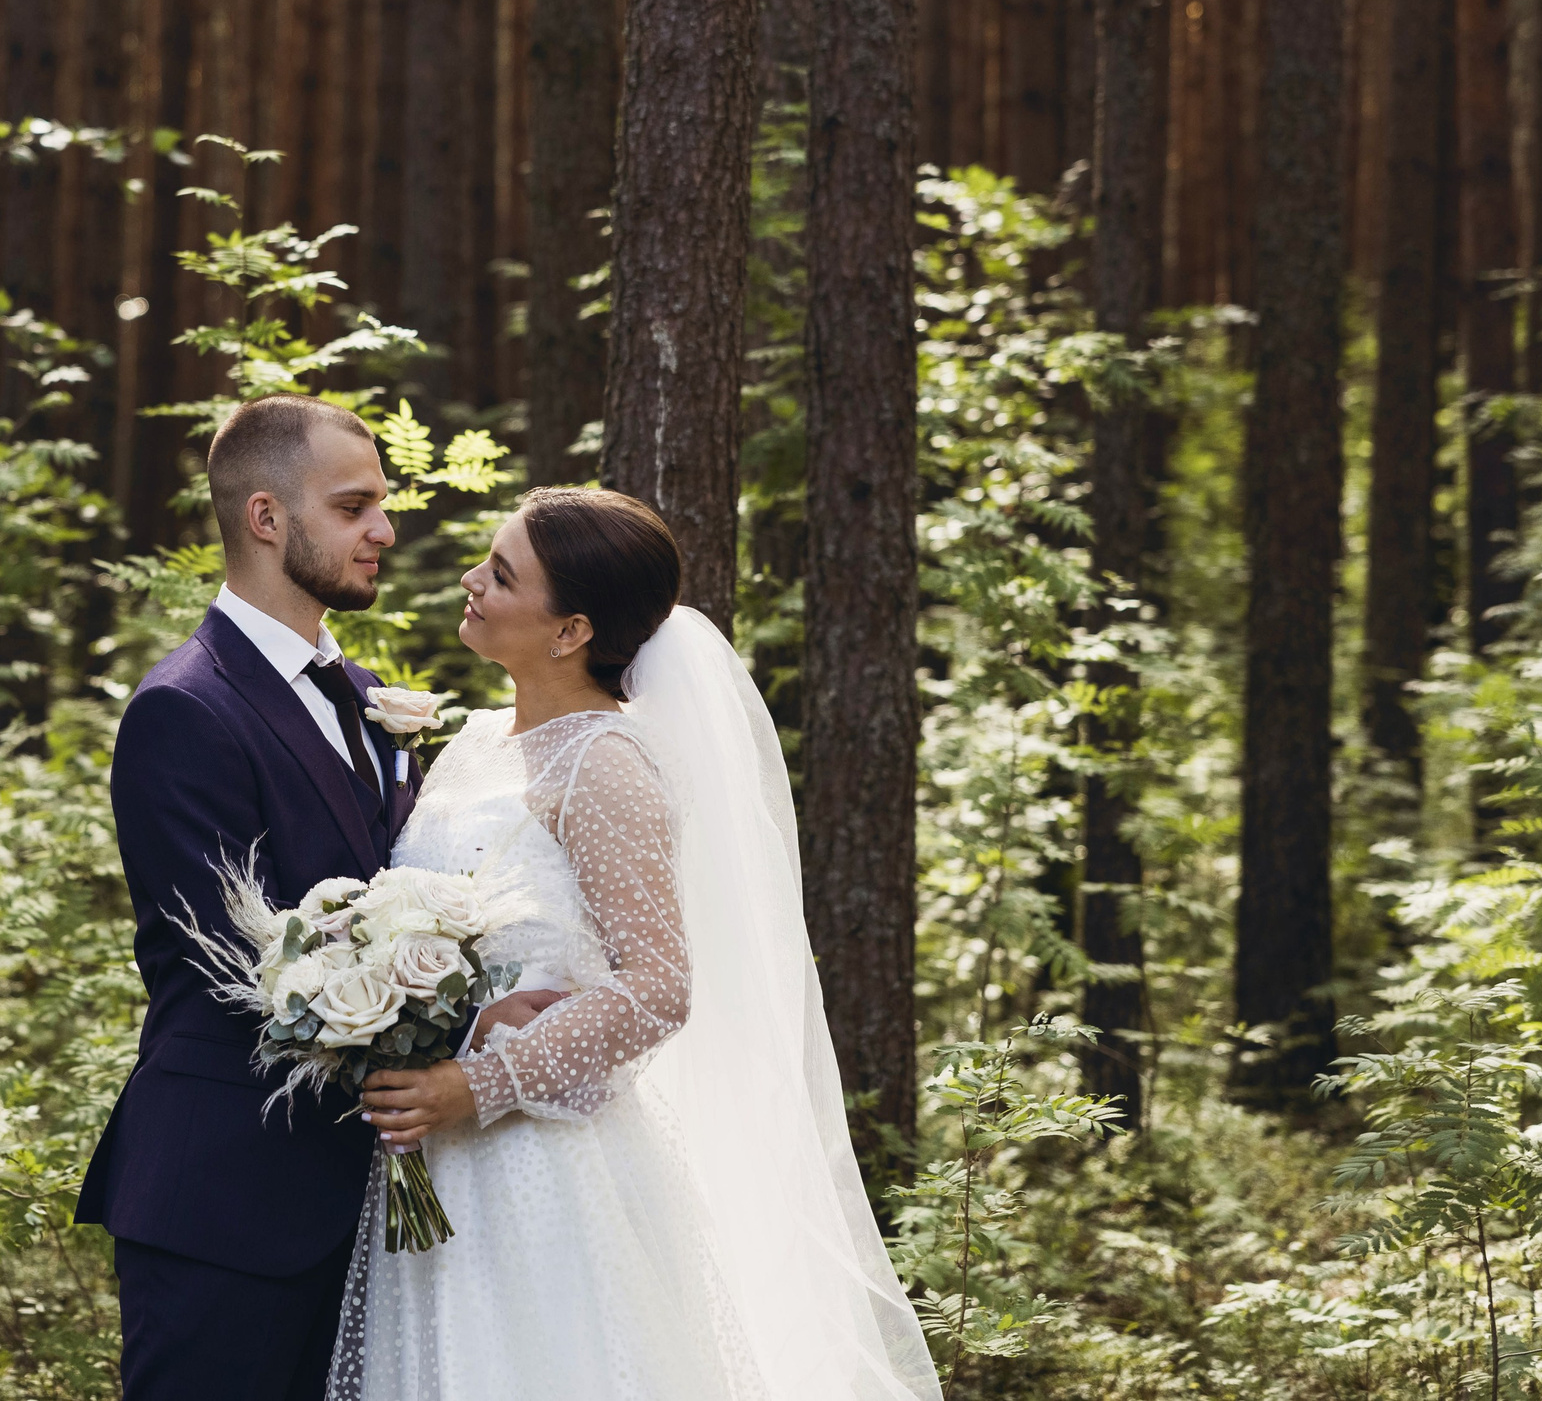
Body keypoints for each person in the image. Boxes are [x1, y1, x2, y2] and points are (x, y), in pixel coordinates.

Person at [333, 487, 944, 1401]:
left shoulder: (606, 763)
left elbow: (659, 988)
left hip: (537, 1164)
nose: (470, 580)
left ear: (570, 630)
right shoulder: (470, 743)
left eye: (500, 575)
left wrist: (477, 1084)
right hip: (432, 1157)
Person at [76, 395, 560, 1401]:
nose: (385, 529)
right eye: (354, 506)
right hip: (227, 1196)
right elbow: (230, 964)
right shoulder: (184, 707)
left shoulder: (367, 692)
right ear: (265, 517)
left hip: (370, 1198)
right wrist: (457, 1029)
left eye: (380, 503)